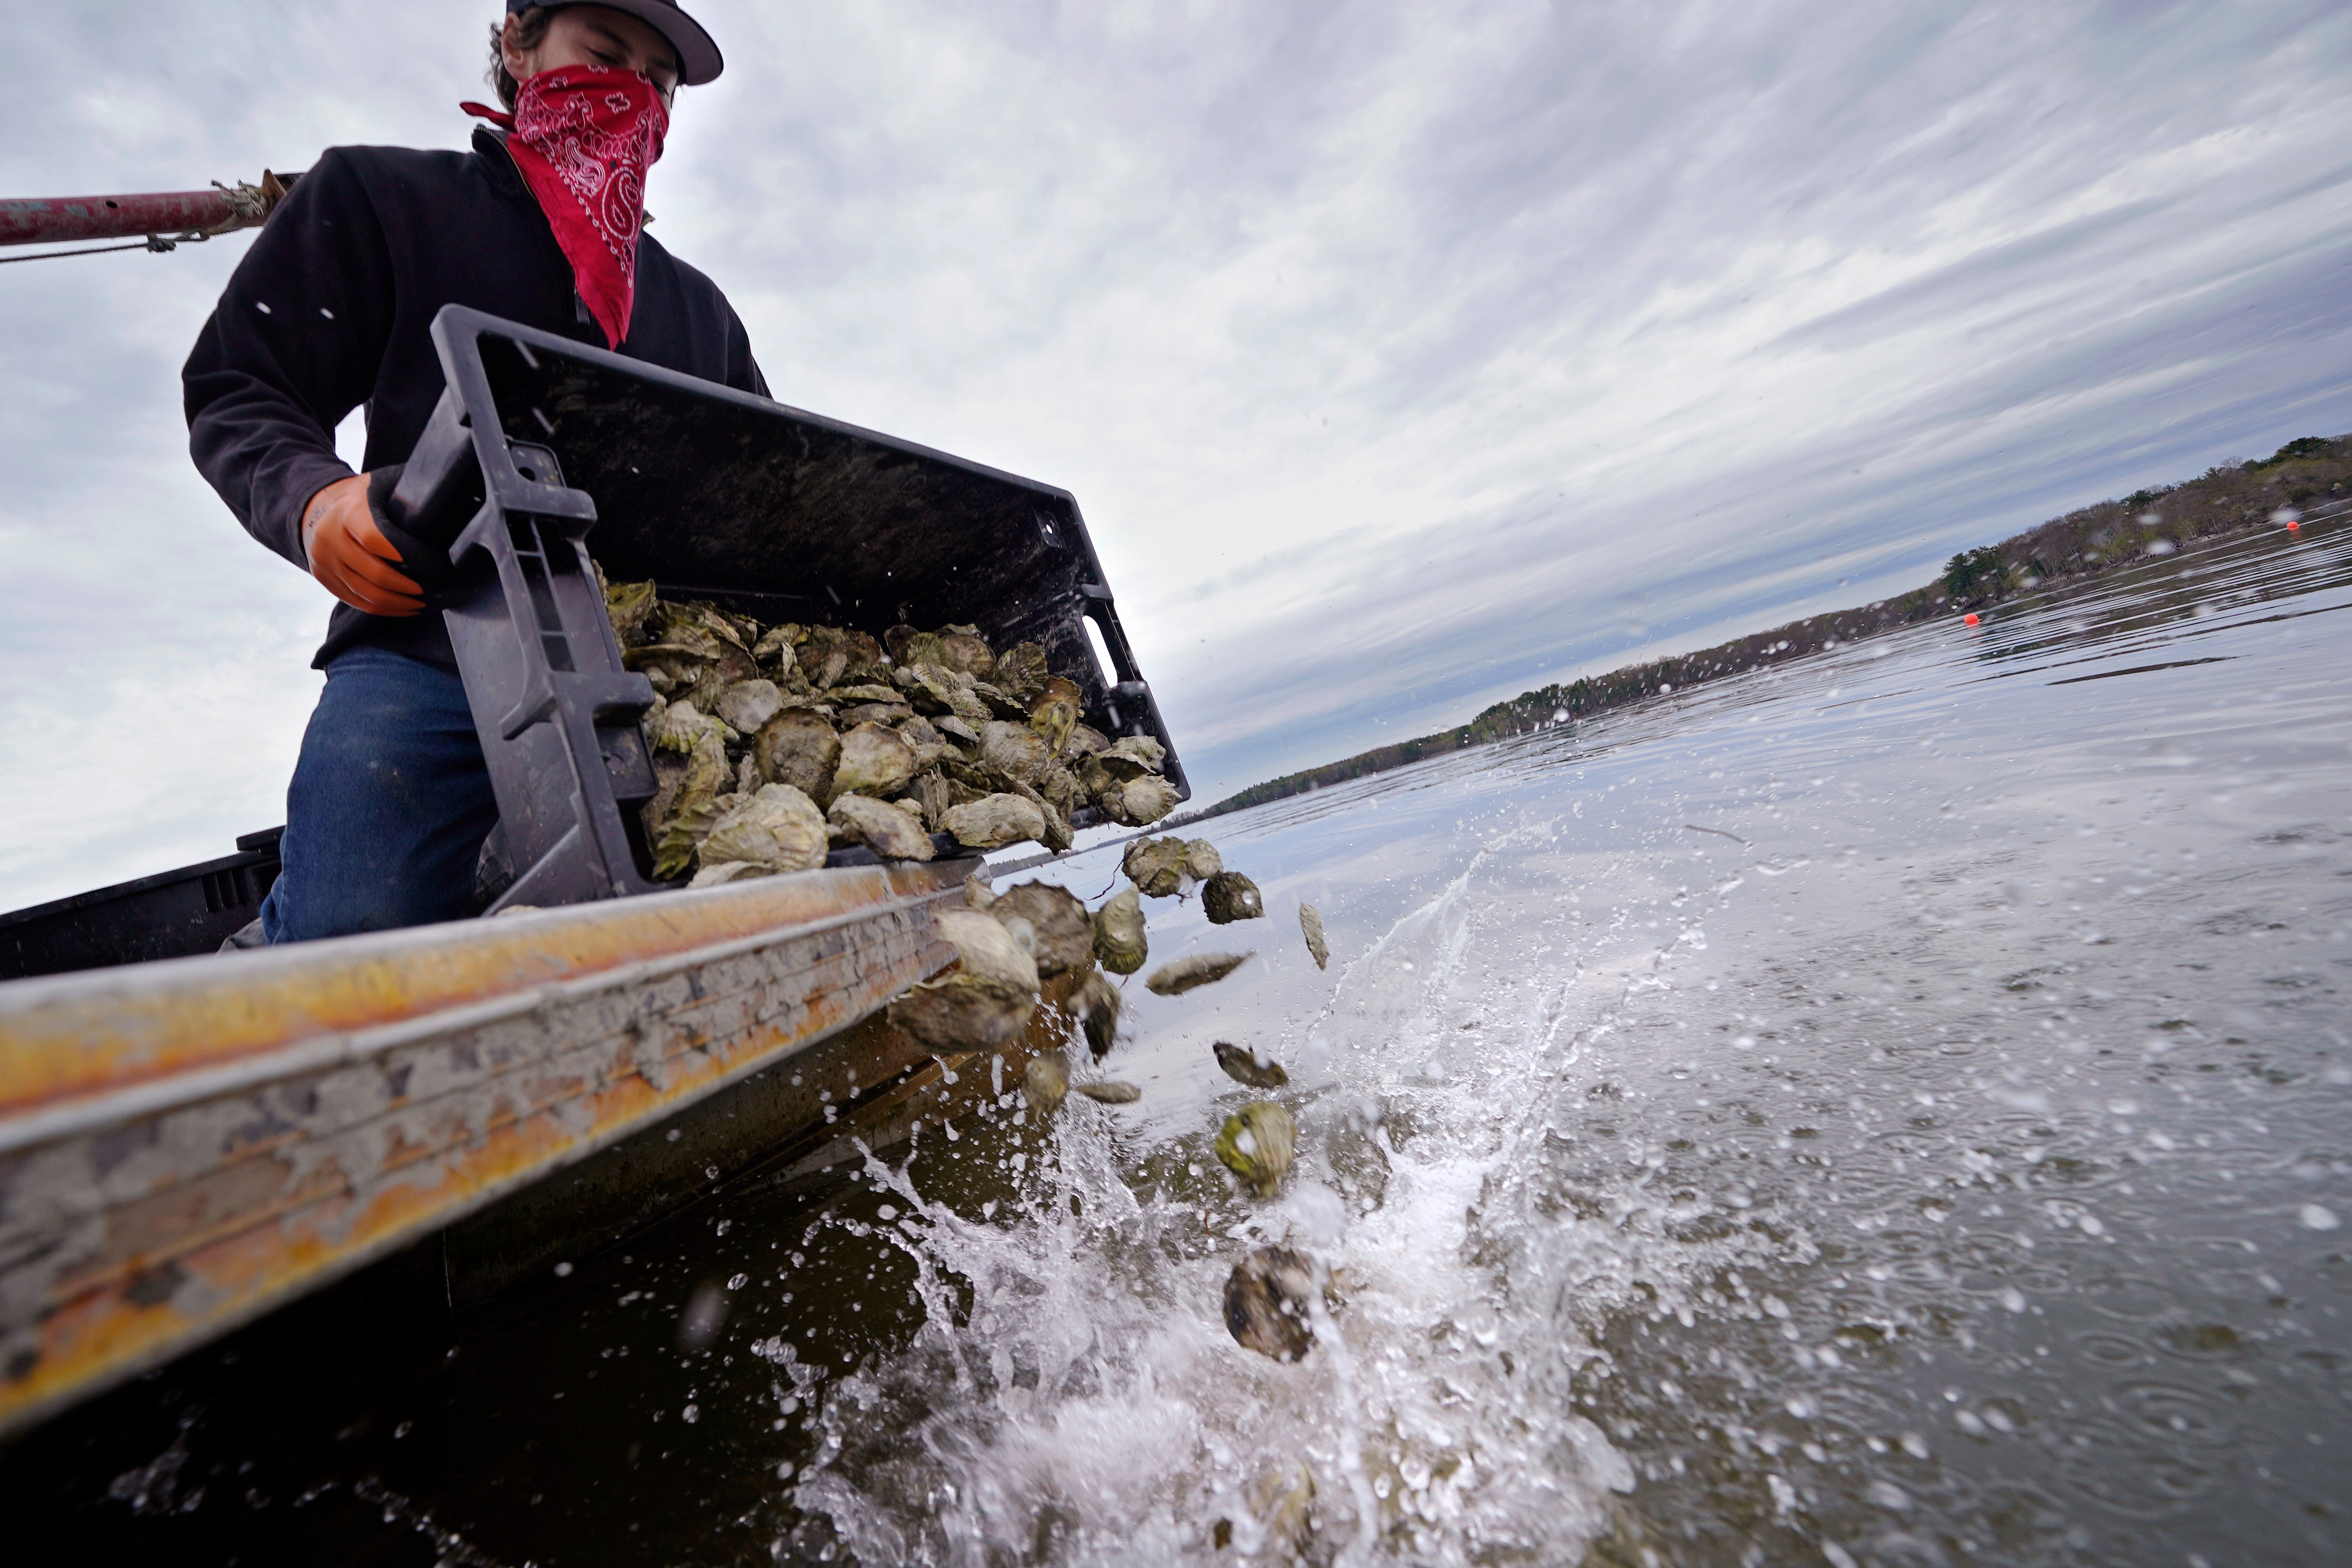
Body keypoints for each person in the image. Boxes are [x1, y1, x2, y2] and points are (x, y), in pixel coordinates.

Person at [184, 0, 764, 944]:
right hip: (433, 647)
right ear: (517, 44)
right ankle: (266, 949)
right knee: (351, 933)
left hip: (660, 676)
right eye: (604, 55)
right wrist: (314, 503)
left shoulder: (699, 313)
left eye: (656, 86)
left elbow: (766, 494)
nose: (630, 96)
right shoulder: (388, 198)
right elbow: (241, 386)